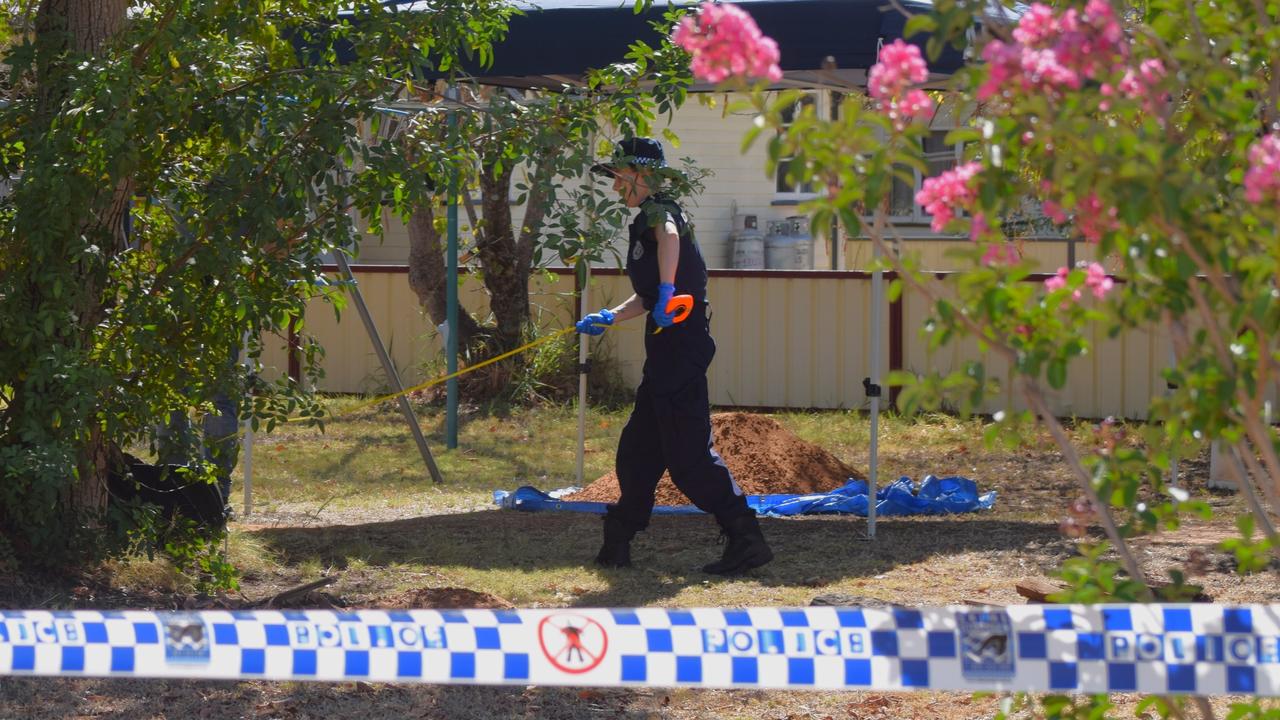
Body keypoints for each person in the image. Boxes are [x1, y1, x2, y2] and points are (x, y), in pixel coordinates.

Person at [576, 137, 773, 575]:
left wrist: (668, 290)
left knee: (688, 459)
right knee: (638, 449)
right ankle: (619, 540)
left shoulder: (660, 210)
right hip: (665, 345)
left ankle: (746, 538)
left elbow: (668, 240)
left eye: (618, 178)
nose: (614, 189)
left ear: (639, 176)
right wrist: (610, 315)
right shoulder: (647, 218)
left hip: (681, 345)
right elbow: (648, 298)